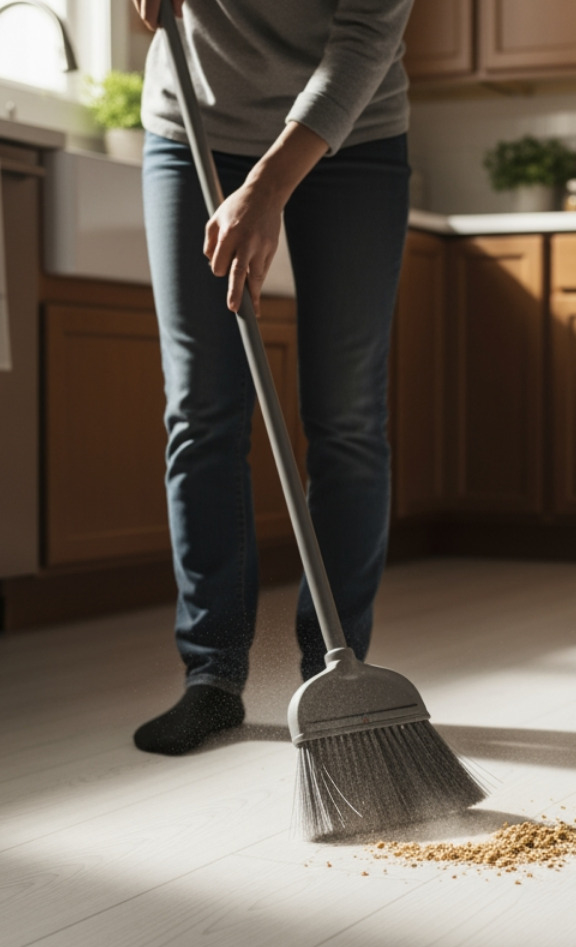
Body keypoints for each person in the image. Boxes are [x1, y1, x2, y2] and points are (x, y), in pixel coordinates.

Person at [129, 0, 415, 755]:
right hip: (196, 126)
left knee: (347, 416)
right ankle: (212, 677)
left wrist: (267, 185)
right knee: (201, 410)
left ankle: (334, 673)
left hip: (351, 134)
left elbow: (368, 34)